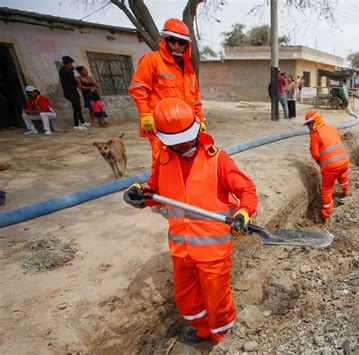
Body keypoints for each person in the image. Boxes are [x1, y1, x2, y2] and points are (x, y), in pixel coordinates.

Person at [123, 98, 258, 344]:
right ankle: (203, 330)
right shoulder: (164, 160)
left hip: (212, 251)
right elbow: (155, 192)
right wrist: (140, 194)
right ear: (164, 140)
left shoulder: (218, 159)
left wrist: (243, 212)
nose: (185, 145)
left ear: (196, 130)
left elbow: (247, 190)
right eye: (177, 142)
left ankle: (223, 339)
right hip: (181, 249)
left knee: (217, 299)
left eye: (188, 138)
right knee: (186, 297)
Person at [129, 18, 205, 174]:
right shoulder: (152, 60)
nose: (177, 45)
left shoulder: (189, 70)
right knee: (163, 163)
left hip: (187, 127)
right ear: (165, 40)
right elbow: (138, 88)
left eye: (181, 42)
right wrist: (145, 114)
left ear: (187, 45)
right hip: (161, 126)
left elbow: (195, 99)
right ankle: (162, 195)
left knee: (188, 163)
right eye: (172, 41)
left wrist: (200, 119)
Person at [303, 110, 350, 222]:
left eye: (308, 124)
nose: (308, 127)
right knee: (341, 174)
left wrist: (319, 161)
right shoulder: (332, 128)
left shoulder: (315, 134)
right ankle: (346, 190)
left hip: (331, 167)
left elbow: (315, 153)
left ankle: (326, 215)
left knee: (326, 189)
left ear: (313, 122)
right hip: (344, 162)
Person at [59, 56, 89, 131]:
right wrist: (78, 81)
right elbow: (75, 82)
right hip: (71, 92)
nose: (72, 65)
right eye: (72, 63)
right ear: (69, 63)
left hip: (69, 92)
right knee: (76, 108)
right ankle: (76, 125)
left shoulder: (62, 70)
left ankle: (82, 122)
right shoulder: (67, 71)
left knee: (78, 107)